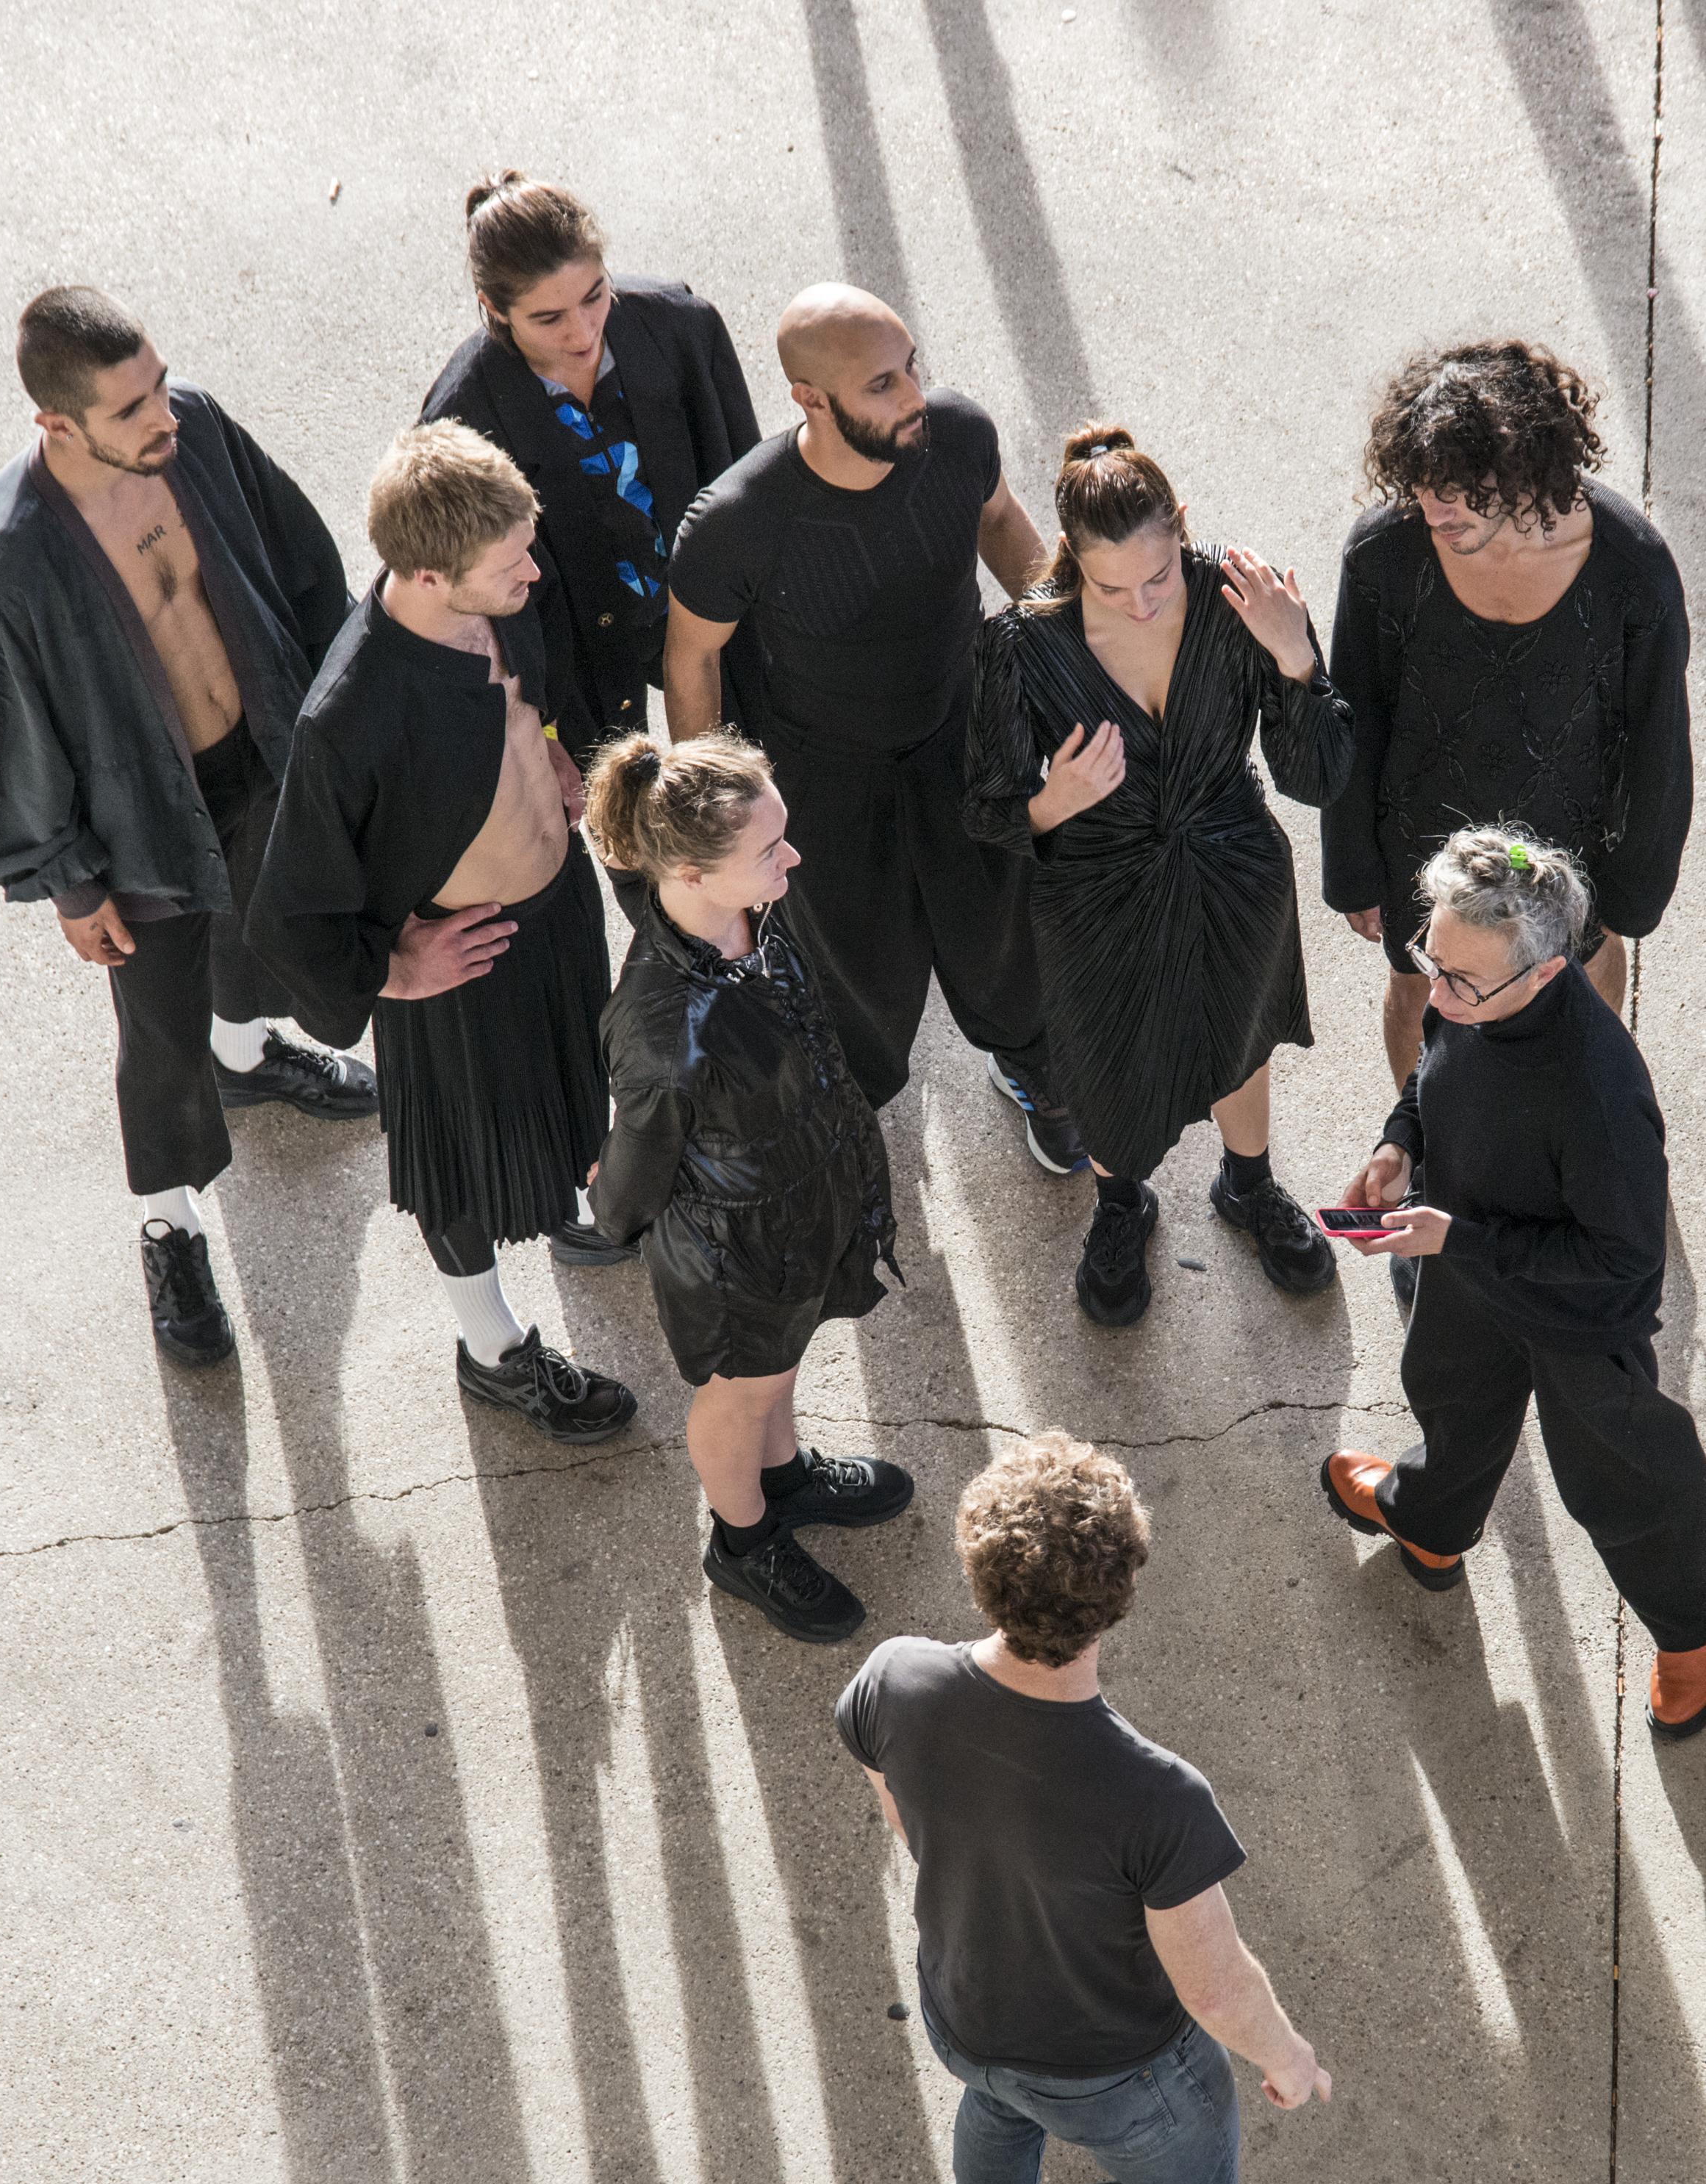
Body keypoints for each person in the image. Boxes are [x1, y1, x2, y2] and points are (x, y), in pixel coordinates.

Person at [838, 1430, 1335, 2184]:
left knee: (999, 2103)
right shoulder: (1154, 1794)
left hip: (966, 2005)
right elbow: (1213, 1982)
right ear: (1118, 1597)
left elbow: (901, 1810)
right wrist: (1286, 2054)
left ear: (979, 1565)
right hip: (1125, 2075)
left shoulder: (896, 1676)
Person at [0, 286, 377, 1369]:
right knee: (157, 1030)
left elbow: (303, 564)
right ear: (59, 424)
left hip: (265, 750)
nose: (165, 413)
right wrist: (68, 882)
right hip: (139, 813)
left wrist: (343, 718)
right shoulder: (9, 561)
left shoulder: (192, 433)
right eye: (134, 405)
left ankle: (247, 1054)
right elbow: (16, 737)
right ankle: (171, 1226)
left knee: (259, 934)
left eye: (157, 382)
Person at [246, 421, 637, 1440]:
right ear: (426, 574)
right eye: (510, 563)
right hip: (459, 962)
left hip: (557, 912)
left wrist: (546, 741)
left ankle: (571, 1198)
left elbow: (527, 675)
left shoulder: (494, 595)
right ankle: (492, 1348)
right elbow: (290, 911)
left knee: (574, 1087)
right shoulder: (348, 717)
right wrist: (393, 969)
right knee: (458, 1164)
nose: (534, 572)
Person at [663, 281, 1082, 1160]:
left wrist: (1066, 643)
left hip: (962, 733)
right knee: (857, 961)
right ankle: (852, 1103)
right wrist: (708, 808)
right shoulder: (737, 521)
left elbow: (1001, 521)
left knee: (1002, 925)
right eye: (881, 385)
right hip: (825, 770)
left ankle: (1029, 1064)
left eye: (910, 368)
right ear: (810, 399)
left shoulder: (958, 435)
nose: (912, 398)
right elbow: (693, 657)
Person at [964, 425, 1355, 1326]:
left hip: (1233, 866)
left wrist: (1297, 659)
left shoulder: (1239, 599)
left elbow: (1316, 776)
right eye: (1111, 586)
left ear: (1180, 527)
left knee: (1240, 1032)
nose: (1140, 603)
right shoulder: (1021, 646)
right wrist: (1050, 803)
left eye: (1157, 575)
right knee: (1105, 1056)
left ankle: (1246, 1184)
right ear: (1071, 561)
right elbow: (983, 812)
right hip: (1094, 890)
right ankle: (1119, 1205)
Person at [1322, 827, 1706, 1740]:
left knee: (1621, 1475)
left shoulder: (1600, 1093)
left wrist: (1463, 1238)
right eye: (1432, 956)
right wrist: (1398, 1141)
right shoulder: (1466, 988)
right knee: (1449, 1395)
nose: (1437, 992)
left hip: (1572, 1313)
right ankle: (1429, 1525)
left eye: (1458, 980)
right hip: (1464, 1255)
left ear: (1542, 975)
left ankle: (1693, 1638)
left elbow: (1620, 1271)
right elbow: (1430, 1069)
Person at [584, 731, 910, 1643]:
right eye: (770, 850)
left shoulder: (746, 912)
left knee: (780, 1369)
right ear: (687, 873)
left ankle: (785, 1477)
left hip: (797, 1205)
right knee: (740, 1391)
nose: (793, 859)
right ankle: (743, 1540)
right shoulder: (661, 1026)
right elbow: (635, 1169)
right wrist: (611, 1209)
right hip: (736, 1250)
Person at [1322, 340, 1692, 1085]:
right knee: (1421, 995)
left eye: (1457, 491)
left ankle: (1570, 1140)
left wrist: (1629, 897)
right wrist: (1354, 874)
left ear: (1524, 469)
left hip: (1567, 843)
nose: (1434, 510)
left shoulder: (1631, 568)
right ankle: (1427, 1147)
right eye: (1422, 487)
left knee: (1575, 1003)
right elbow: (1353, 717)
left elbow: (1659, 749)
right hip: (1422, 837)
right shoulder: (1383, 555)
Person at [420, 172, 764, 782]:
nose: (581, 334)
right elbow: (477, 598)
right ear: (493, 310)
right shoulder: (462, 416)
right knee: (625, 826)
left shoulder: (683, 328)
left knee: (740, 791)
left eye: (595, 296)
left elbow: (746, 473)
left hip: (706, 608)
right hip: (573, 649)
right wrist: (539, 723)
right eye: (548, 318)